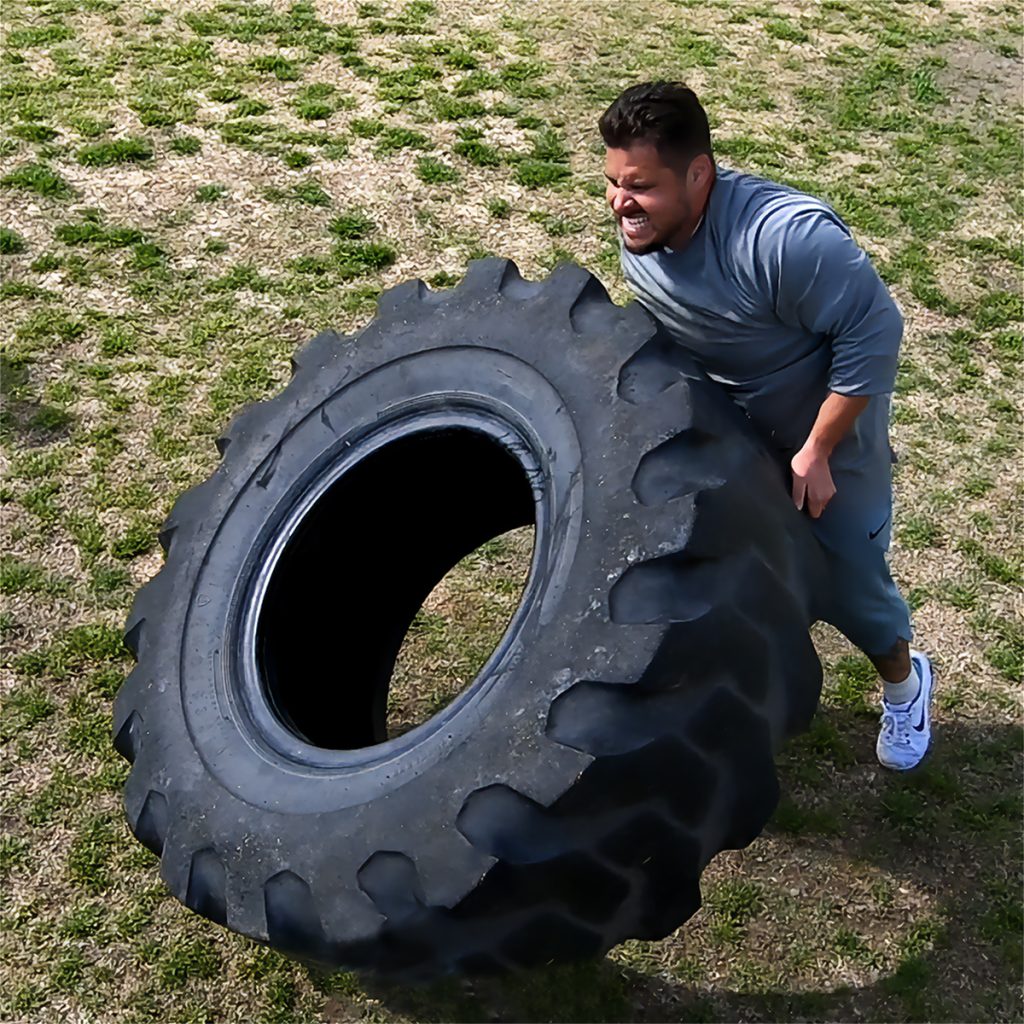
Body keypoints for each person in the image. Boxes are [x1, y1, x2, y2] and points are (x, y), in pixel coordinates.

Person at [599, 80, 933, 770]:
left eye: (642, 186)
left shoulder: (785, 241)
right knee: (707, 560)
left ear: (699, 174)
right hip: (727, 422)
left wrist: (818, 450)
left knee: (849, 584)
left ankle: (906, 686)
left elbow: (876, 334)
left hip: (823, 438)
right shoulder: (646, 228)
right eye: (613, 182)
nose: (621, 203)